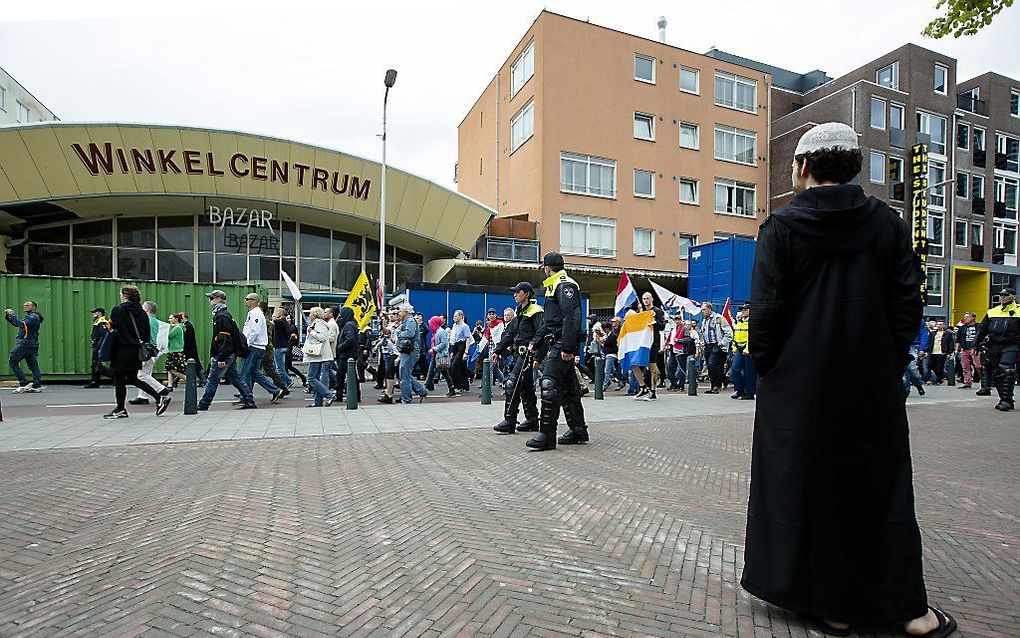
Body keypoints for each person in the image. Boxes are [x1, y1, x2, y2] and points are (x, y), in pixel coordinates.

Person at [741, 122, 955, 637]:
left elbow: (765, 315)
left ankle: (833, 607)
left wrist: (774, 372)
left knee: (806, 484)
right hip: (870, 384)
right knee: (881, 488)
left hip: (798, 388)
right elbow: (909, 303)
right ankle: (909, 610)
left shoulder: (781, 229)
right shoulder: (888, 224)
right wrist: (885, 360)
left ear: (805, 167)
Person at [526, 252, 587, 450]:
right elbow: (550, 322)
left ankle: (547, 435)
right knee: (569, 390)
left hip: (562, 343)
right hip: (557, 341)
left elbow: (572, 316)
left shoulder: (564, 284)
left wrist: (568, 347)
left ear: (547, 268)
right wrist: (536, 343)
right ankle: (578, 430)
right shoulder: (555, 285)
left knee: (549, 383)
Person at [103, 285, 172, 418]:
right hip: (135, 351)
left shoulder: (118, 310)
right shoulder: (142, 312)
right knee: (133, 378)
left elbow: (113, 329)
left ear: (125, 296)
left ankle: (120, 409)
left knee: (119, 380)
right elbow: (145, 334)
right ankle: (159, 398)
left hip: (121, 350)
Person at [493, 282, 544, 434]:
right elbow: (510, 333)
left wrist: (538, 357)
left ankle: (510, 420)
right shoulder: (520, 312)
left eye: (517, 292)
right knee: (526, 388)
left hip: (529, 354)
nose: (514, 294)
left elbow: (542, 334)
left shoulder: (536, 311)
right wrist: (498, 350)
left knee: (512, 383)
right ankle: (532, 419)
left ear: (527, 293)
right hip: (520, 355)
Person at [197, 290, 257, 411]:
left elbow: (224, 338)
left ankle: (203, 404)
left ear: (218, 299)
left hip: (224, 354)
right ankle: (249, 400)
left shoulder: (221, 316)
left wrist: (221, 357)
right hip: (230, 353)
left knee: (213, 380)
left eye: (212, 299)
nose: (210, 301)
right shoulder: (225, 314)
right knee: (236, 379)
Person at [974, 287, 1020, 411]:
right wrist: (976, 344)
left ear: (1013, 296)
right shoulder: (992, 311)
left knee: (1007, 369)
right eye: (1001, 295)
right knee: (997, 372)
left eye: (1006, 295)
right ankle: (1006, 399)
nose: (1003, 297)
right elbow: (982, 329)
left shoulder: (1019, 311)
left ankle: (1005, 400)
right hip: (994, 345)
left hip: (1012, 344)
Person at [239, 293, 285, 405]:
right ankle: (275, 390)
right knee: (254, 372)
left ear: (254, 300)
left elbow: (254, 331)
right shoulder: (254, 313)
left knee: (245, 372)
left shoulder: (255, 313)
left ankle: (246, 397)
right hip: (258, 347)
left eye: (247, 299)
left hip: (254, 346)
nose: (245, 301)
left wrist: (247, 344)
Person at [129, 301, 166, 405]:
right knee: (146, 373)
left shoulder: (148, 321)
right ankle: (142, 396)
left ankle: (161, 389)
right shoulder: (154, 321)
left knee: (141, 375)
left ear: (146, 310)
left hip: (146, 349)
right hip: (152, 348)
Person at [6, 300, 44, 393]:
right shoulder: (32, 317)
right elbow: (17, 324)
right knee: (33, 365)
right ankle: (36, 386)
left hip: (26, 344)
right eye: (24, 305)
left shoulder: (33, 317)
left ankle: (23, 383)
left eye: (27, 305)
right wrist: (8, 316)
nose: (25, 306)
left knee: (12, 361)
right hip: (32, 344)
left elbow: (21, 324)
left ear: (34, 307)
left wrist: (11, 315)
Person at [634, 292, 666, 401]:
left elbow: (662, 327)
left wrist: (653, 321)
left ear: (652, 299)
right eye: (644, 299)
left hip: (653, 343)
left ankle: (653, 391)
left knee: (652, 368)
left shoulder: (657, 311)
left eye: (647, 298)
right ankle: (643, 387)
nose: (646, 300)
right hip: (641, 343)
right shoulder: (641, 312)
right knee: (634, 364)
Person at [303, 306, 336, 408]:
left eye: (311, 314)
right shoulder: (317, 323)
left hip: (318, 355)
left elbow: (323, 337)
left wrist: (311, 332)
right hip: (317, 355)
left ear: (315, 315)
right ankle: (318, 401)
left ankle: (329, 395)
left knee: (311, 378)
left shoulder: (319, 324)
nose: (309, 316)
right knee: (316, 377)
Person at [396, 305, 429, 404]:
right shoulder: (407, 321)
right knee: (405, 374)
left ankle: (406, 399)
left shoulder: (410, 321)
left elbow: (410, 334)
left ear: (406, 312)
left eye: (400, 312)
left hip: (409, 351)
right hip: (408, 351)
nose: (399, 314)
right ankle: (422, 391)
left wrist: (399, 333)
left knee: (404, 375)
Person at [698, 302, 733, 394]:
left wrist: (722, 343)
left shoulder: (719, 318)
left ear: (709, 309)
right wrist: (702, 341)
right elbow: (703, 333)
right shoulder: (704, 320)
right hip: (707, 346)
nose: (702, 312)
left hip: (717, 345)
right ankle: (720, 382)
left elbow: (729, 334)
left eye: (704, 309)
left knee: (712, 364)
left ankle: (716, 386)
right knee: (712, 366)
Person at [428, 315, 459, 397]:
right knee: (442, 372)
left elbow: (444, 343)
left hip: (440, 355)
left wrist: (434, 349)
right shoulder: (437, 332)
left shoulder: (441, 332)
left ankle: (426, 386)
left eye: (431, 323)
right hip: (437, 355)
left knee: (441, 372)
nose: (430, 326)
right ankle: (451, 388)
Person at [729, 305, 756, 400]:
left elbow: (752, 336)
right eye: (742, 309)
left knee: (749, 372)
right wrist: (734, 347)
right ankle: (740, 390)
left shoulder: (753, 321)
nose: (743, 311)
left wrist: (748, 349)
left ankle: (750, 393)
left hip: (748, 349)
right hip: (740, 349)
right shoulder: (740, 321)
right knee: (735, 368)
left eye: (745, 309)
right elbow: (736, 335)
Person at [334, 306, 359, 402]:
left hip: (346, 355)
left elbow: (350, 339)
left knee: (341, 375)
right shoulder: (351, 324)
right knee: (351, 375)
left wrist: (340, 347)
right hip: (349, 354)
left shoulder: (348, 325)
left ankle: (339, 395)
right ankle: (356, 395)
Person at [84, 306, 112, 388]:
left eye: (95, 312)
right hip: (97, 345)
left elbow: (104, 335)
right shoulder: (97, 321)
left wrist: (101, 347)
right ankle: (95, 381)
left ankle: (115, 377)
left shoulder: (102, 322)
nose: (93, 313)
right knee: (95, 364)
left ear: (100, 313)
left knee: (97, 365)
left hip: (99, 346)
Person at [180, 312, 206, 388]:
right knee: (195, 365)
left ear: (184, 317)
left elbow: (186, 339)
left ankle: (204, 380)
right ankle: (203, 380)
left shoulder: (187, 326)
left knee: (195, 365)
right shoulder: (187, 325)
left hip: (189, 349)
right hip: (190, 349)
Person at [956, 312, 981, 389]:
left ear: (973, 317)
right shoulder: (962, 328)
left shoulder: (979, 326)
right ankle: (967, 383)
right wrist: (956, 350)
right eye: (964, 317)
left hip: (975, 349)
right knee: (965, 367)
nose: (965, 318)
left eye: (967, 317)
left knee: (978, 366)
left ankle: (985, 381)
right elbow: (958, 339)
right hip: (965, 348)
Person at [449, 309, 471, 392]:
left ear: (461, 316)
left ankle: (457, 386)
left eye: (455, 316)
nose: (453, 318)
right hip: (456, 345)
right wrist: (452, 351)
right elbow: (453, 338)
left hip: (462, 345)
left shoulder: (465, 326)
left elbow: (468, 339)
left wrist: (466, 351)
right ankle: (464, 385)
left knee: (454, 366)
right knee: (462, 366)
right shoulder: (455, 325)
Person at [271, 307, 293, 389]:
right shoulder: (285, 322)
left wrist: (274, 315)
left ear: (280, 313)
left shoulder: (280, 321)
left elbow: (272, 321)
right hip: (283, 346)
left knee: (279, 368)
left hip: (279, 347)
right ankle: (289, 381)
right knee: (281, 367)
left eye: (277, 312)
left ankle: (283, 385)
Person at [164, 313, 187, 388]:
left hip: (175, 351)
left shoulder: (177, 328)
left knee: (173, 370)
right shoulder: (178, 327)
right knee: (169, 368)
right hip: (172, 350)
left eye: (171, 318)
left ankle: (188, 380)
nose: (169, 320)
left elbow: (168, 336)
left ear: (176, 319)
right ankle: (170, 385)